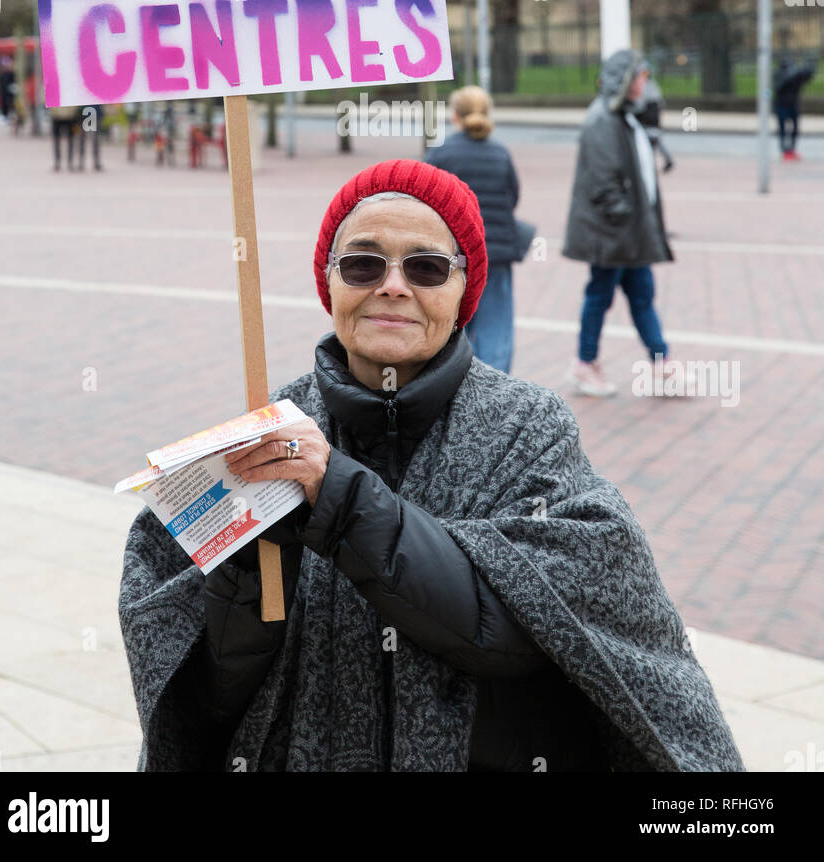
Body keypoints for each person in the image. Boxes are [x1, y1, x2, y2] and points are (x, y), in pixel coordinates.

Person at [119, 158, 743, 773]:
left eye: (425, 266)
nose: (392, 284)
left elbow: (512, 627)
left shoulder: (529, 428)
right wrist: (247, 576)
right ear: (330, 282)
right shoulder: (268, 432)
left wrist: (335, 495)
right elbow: (203, 699)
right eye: (363, 263)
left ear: (462, 289)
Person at [562, 49, 677, 398]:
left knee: (640, 293)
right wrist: (626, 216)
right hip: (614, 232)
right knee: (602, 294)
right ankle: (585, 363)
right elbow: (603, 182)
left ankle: (661, 363)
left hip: (627, 231)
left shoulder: (623, 116)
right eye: (641, 75)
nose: (646, 81)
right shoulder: (604, 120)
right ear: (626, 79)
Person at [424, 85, 523, 373]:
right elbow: (513, 197)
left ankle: (458, 382)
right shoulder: (501, 153)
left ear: (455, 116)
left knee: (456, 323)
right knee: (497, 329)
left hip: (454, 255)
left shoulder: (441, 154)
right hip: (496, 253)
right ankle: (498, 389)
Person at [632, 60, 673, 170]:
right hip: (651, 117)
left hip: (648, 117)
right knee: (655, 139)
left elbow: (640, 103)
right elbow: (661, 102)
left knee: (652, 140)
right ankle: (666, 159)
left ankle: (651, 164)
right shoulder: (651, 84)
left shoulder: (646, 85)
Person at [773, 56, 815, 160]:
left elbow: (806, 77)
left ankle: (792, 149)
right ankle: (784, 150)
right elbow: (779, 87)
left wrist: (810, 67)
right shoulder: (779, 75)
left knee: (795, 129)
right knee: (783, 130)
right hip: (781, 105)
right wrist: (790, 76)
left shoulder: (796, 76)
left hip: (793, 105)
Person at [49, 103, 80, 171]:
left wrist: (73, 110)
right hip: (56, 115)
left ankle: (70, 162)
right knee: (57, 140)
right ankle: (57, 162)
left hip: (70, 116)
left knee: (71, 140)